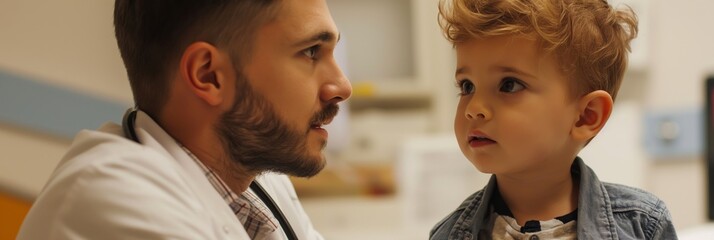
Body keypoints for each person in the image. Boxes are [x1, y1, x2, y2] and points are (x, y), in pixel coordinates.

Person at [18, 0, 351, 239]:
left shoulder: (259, 184)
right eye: (311, 51)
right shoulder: (114, 201)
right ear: (209, 75)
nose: (342, 86)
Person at [430, 0, 677, 239]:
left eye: (509, 85)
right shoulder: (447, 234)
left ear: (586, 116)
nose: (474, 109)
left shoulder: (643, 227)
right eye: (467, 86)